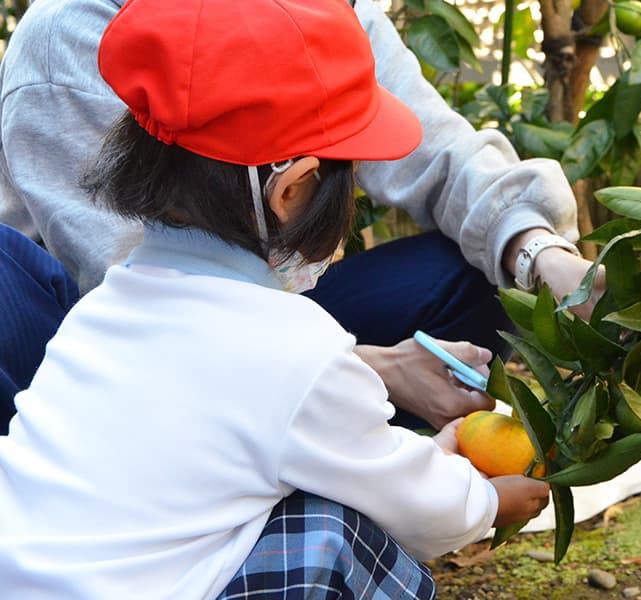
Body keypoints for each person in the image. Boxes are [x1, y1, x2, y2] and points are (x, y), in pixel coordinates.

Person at [0, 0, 552, 596]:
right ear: (292, 192)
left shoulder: (100, 314)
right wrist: (485, 501)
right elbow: (416, 507)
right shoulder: (298, 347)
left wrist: (429, 460)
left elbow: (375, 460)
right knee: (332, 533)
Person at [0, 0, 604, 432]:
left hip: (268, 301)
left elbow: (439, 152)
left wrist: (541, 257)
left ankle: (331, 458)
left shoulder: (319, 12)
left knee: (474, 268)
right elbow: (136, 293)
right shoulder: (72, 36)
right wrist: (368, 372)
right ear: (292, 191)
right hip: (104, 353)